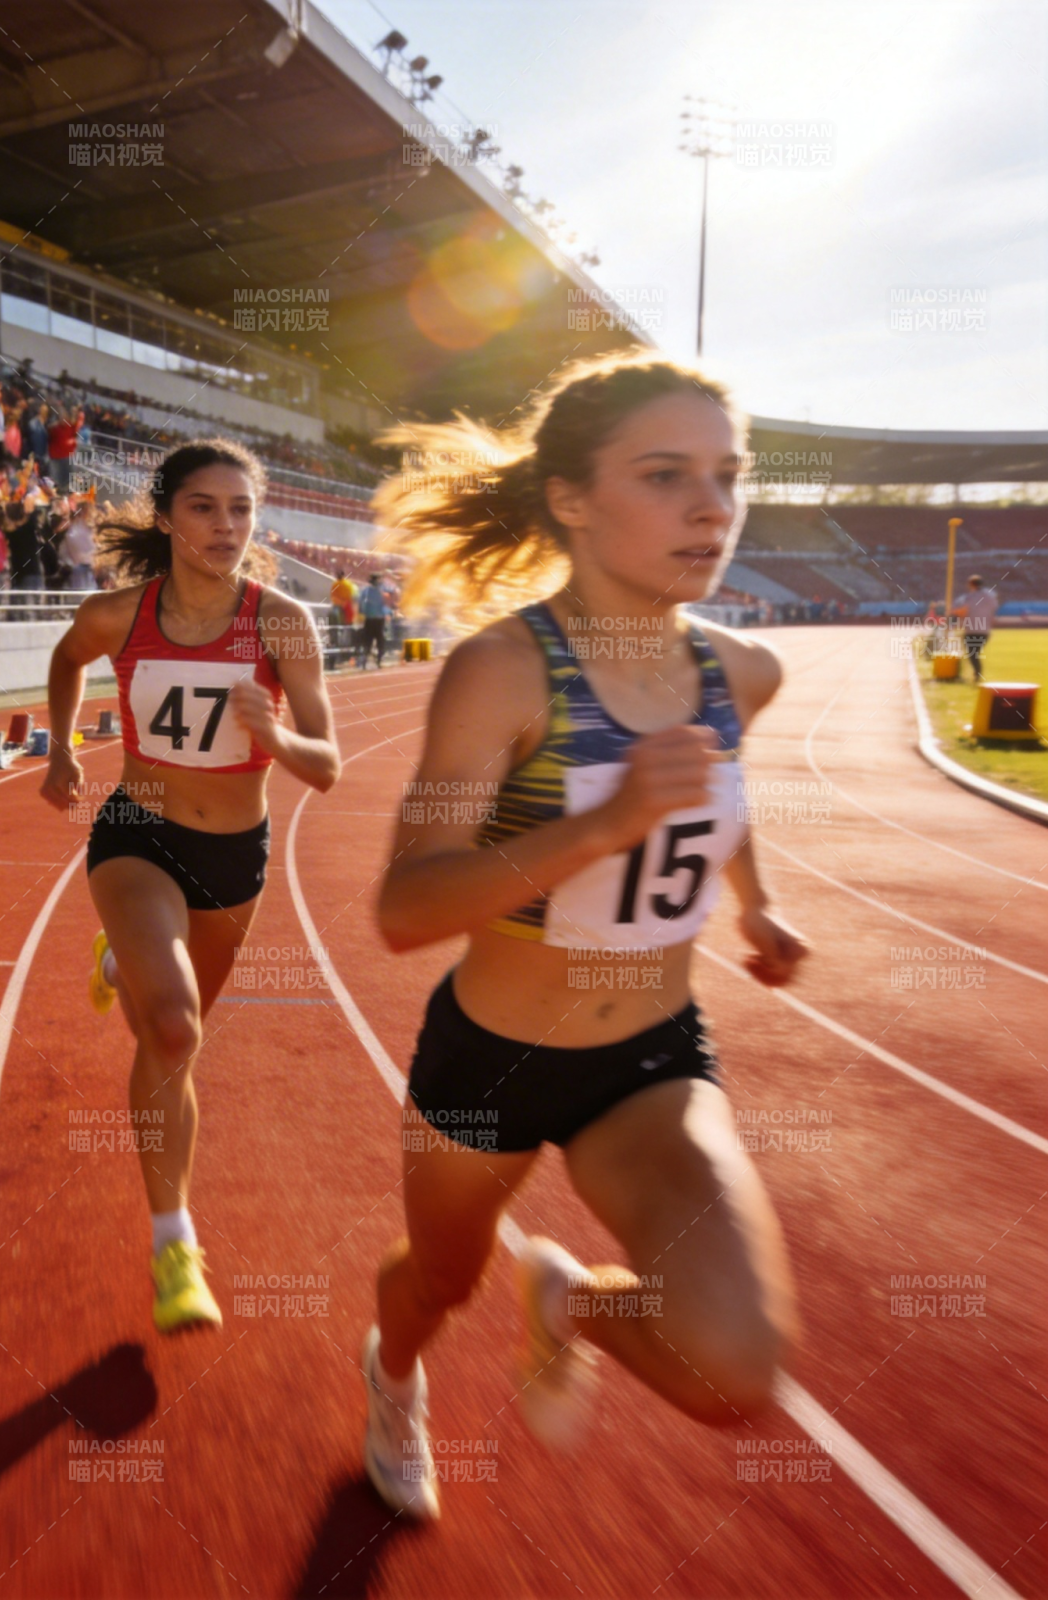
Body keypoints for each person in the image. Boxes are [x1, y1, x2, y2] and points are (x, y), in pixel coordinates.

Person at [357, 352, 808, 1520]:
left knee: (734, 1368)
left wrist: (753, 901)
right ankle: (391, 1374)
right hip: (493, 1059)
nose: (712, 508)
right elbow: (405, 910)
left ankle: (571, 1304)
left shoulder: (740, 671)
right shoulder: (502, 674)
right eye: (666, 475)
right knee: (439, 1283)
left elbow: (712, 796)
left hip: (650, 1060)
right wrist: (604, 822)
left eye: (727, 475)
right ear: (570, 498)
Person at [39, 439, 341, 1332]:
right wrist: (59, 749)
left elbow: (326, 766)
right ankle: (175, 1242)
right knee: (174, 1023)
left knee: (171, 1045)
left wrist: (277, 738)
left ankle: (124, 964)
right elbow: (65, 658)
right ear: (167, 517)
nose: (226, 526)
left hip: (233, 855)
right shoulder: (119, 615)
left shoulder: (284, 622)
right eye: (205, 508)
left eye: (241, 509)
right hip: (138, 835)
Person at [956, 574, 999, 683]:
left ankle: (977, 674)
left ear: (971, 584)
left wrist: (953, 614)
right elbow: (993, 610)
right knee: (975, 653)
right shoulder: (990, 595)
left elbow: (963, 611)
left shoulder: (970, 597)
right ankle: (976, 674)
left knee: (972, 653)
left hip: (972, 629)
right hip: (985, 630)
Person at [355, 571, 389, 668]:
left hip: (369, 619)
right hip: (378, 619)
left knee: (368, 640)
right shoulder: (382, 592)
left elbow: (361, 605)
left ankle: (365, 661)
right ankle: (378, 660)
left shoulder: (365, 591)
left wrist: (362, 613)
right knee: (380, 640)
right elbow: (386, 604)